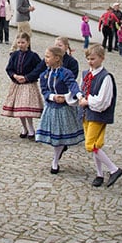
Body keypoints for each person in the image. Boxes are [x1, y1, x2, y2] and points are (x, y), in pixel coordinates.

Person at [78, 43, 122, 188]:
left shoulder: (106, 77)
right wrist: (79, 98)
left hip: (98, 114)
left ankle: (113, 169)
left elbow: (104, 100)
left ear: (101, 58)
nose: (90, 62)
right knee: (96, 145)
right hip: (86, 113)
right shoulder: (86, 74)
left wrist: (88, 101)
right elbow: (81, 90)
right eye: (88, 59)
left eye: (93, 59)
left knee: (90, 145)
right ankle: (99, 174)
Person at [35, 45, 83, 174]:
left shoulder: (65, 73)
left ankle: (55, 161)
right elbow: (44, 91)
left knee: (60, 136)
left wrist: (77, 96)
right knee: (55, 137)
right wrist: (53, 96)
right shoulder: (45, 75)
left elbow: (73, 85)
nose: (45, 59)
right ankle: (57, 156)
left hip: (64, 109)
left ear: (57, 58)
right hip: (51, 108)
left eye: (48, 56)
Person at [1, 32, 44, 139]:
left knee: (26, 108)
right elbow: (9, 68)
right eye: (19, 42)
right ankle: (24, 128)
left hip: (28, 85)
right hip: (17, 85)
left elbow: (39, 69)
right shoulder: (14, 55)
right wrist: (15, 76)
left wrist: (27, 77)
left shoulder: (33, 56)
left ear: (28, 43)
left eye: (23, 42)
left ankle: (31, 129)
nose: (20, 44)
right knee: (20, 109)